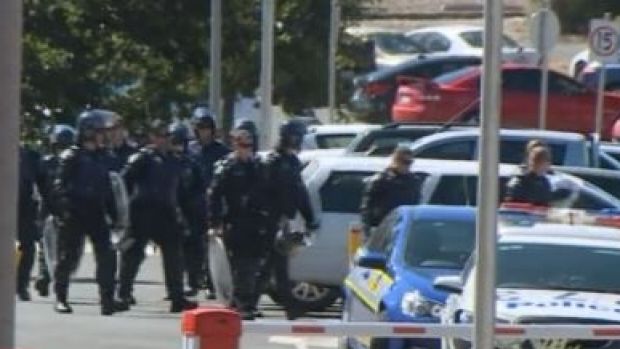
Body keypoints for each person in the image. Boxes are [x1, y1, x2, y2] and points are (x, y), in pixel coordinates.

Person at [117, 119, 198, 313]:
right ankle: (123, 294)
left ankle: (177, 297)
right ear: (152, 137)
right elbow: (123, 182)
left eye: (167, 136)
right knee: (133, 254)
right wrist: (123, 209)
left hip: (166, 212)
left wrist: (186, 214)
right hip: (142, 211)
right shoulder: (142, 158)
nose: (164, 140)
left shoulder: (175, 160)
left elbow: (183, 190)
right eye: (160, 135)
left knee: (174, 255)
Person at [53, 111, 124, 315]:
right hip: (74, 211)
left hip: (96, 211)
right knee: (67, 256)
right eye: (100, 131)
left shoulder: (104, 158)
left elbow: (109, 187)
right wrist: (64, 209)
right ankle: (61, 298)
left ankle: (107, 300)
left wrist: (116, 214)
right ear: (88, 132)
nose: (104, 136)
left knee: (107, 255)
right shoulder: (71, 156)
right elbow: (59, 186)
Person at [261, 120, 319, 320]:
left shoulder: (293, 162)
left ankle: (286, 306)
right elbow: (261, 194)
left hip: (284, 220)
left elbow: (300, 193)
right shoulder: (272, 163)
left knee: (276, 265)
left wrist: (310, 217)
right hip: (269, 221)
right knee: (272, 266)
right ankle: (245, 303)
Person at [208, 128, 267, 320]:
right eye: (242, 145)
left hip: (255, 222)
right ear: (234, 145)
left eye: (249, 145)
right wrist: (215, 222)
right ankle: (240, 303)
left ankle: (246, 302)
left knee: (253, 263)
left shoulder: (258, 166)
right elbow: (214, 196)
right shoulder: (227, 167)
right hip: (234, 221)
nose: (246, 149)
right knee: (240, 264)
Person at [188, 106, 229, 298]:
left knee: (212, 247)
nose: (204, 132)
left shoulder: (222, 151)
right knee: (191, 246)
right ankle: (193, 282)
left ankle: (212, 283)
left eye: (207, 128)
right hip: (192, 204)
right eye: (200, 128)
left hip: (213, 204)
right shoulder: (190, 150)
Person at [34, 124, 76, 298]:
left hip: (64, 206)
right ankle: (45, 275)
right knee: (46, 244)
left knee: (64, 246)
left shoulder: (72, 162)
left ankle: (51, 276)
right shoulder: (45, 162)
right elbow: (38, 185)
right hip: (49, 206)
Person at [168, 122, 207, 298]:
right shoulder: (163, 160)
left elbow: (201, 186)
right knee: (173, 253)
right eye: (174, 141)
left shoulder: (192, 162)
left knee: (194, 249)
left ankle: (193, 282)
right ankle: (175, 287)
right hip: (169, 211)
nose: (178, 145)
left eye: (180, 141)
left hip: (191, 212)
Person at [360, 146, 422, 238]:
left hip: (404, 228)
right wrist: (367, 230)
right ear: (395, 160)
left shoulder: (414, 181)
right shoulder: (380, 181)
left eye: (410, 162)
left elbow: (416, 205)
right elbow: (367, 207)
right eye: (405, 162)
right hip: (383, 227)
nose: (407, 166)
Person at [16, 144, 45, 301]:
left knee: (27, 247)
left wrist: (54, 205)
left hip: (24, 208)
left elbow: (43, 182)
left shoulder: (30, 156)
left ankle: (21, 285)